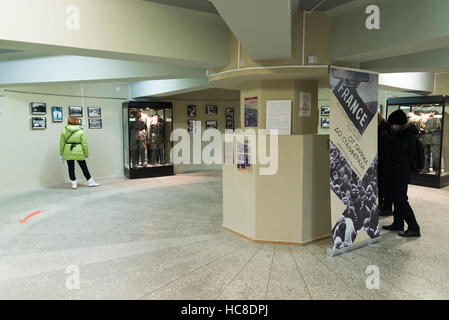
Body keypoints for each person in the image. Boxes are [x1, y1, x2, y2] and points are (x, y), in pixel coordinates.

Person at [382, 110, 421, 237]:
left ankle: (414, 227)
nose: (392, 127)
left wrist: (388, 135)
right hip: (395, 172)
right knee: (396, 199)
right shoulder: (399, 133)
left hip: (402, 173)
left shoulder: (409, 135)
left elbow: (397, 148)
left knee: (402, 201)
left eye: (393, 124)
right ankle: (398, 223)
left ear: (400, 124)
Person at [59, 116, 100, 189]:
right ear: (77, 121)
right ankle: (91, 182)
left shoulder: (64, 130)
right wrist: (86, 153)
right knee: (84, 167)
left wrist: (61, 154)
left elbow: (61, 143)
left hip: (68, 150)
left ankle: (74, 184)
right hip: (79, 150)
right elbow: (84, 144)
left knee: (71, 168)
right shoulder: (81, 131)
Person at [378, 113, 394, 216]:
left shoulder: (384, 129)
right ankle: (384, 206)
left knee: (384, 186)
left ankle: (386, 207)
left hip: (385, 162)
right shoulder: (385, 128)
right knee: (382, 185)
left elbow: (385, 147)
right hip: (383, 161)